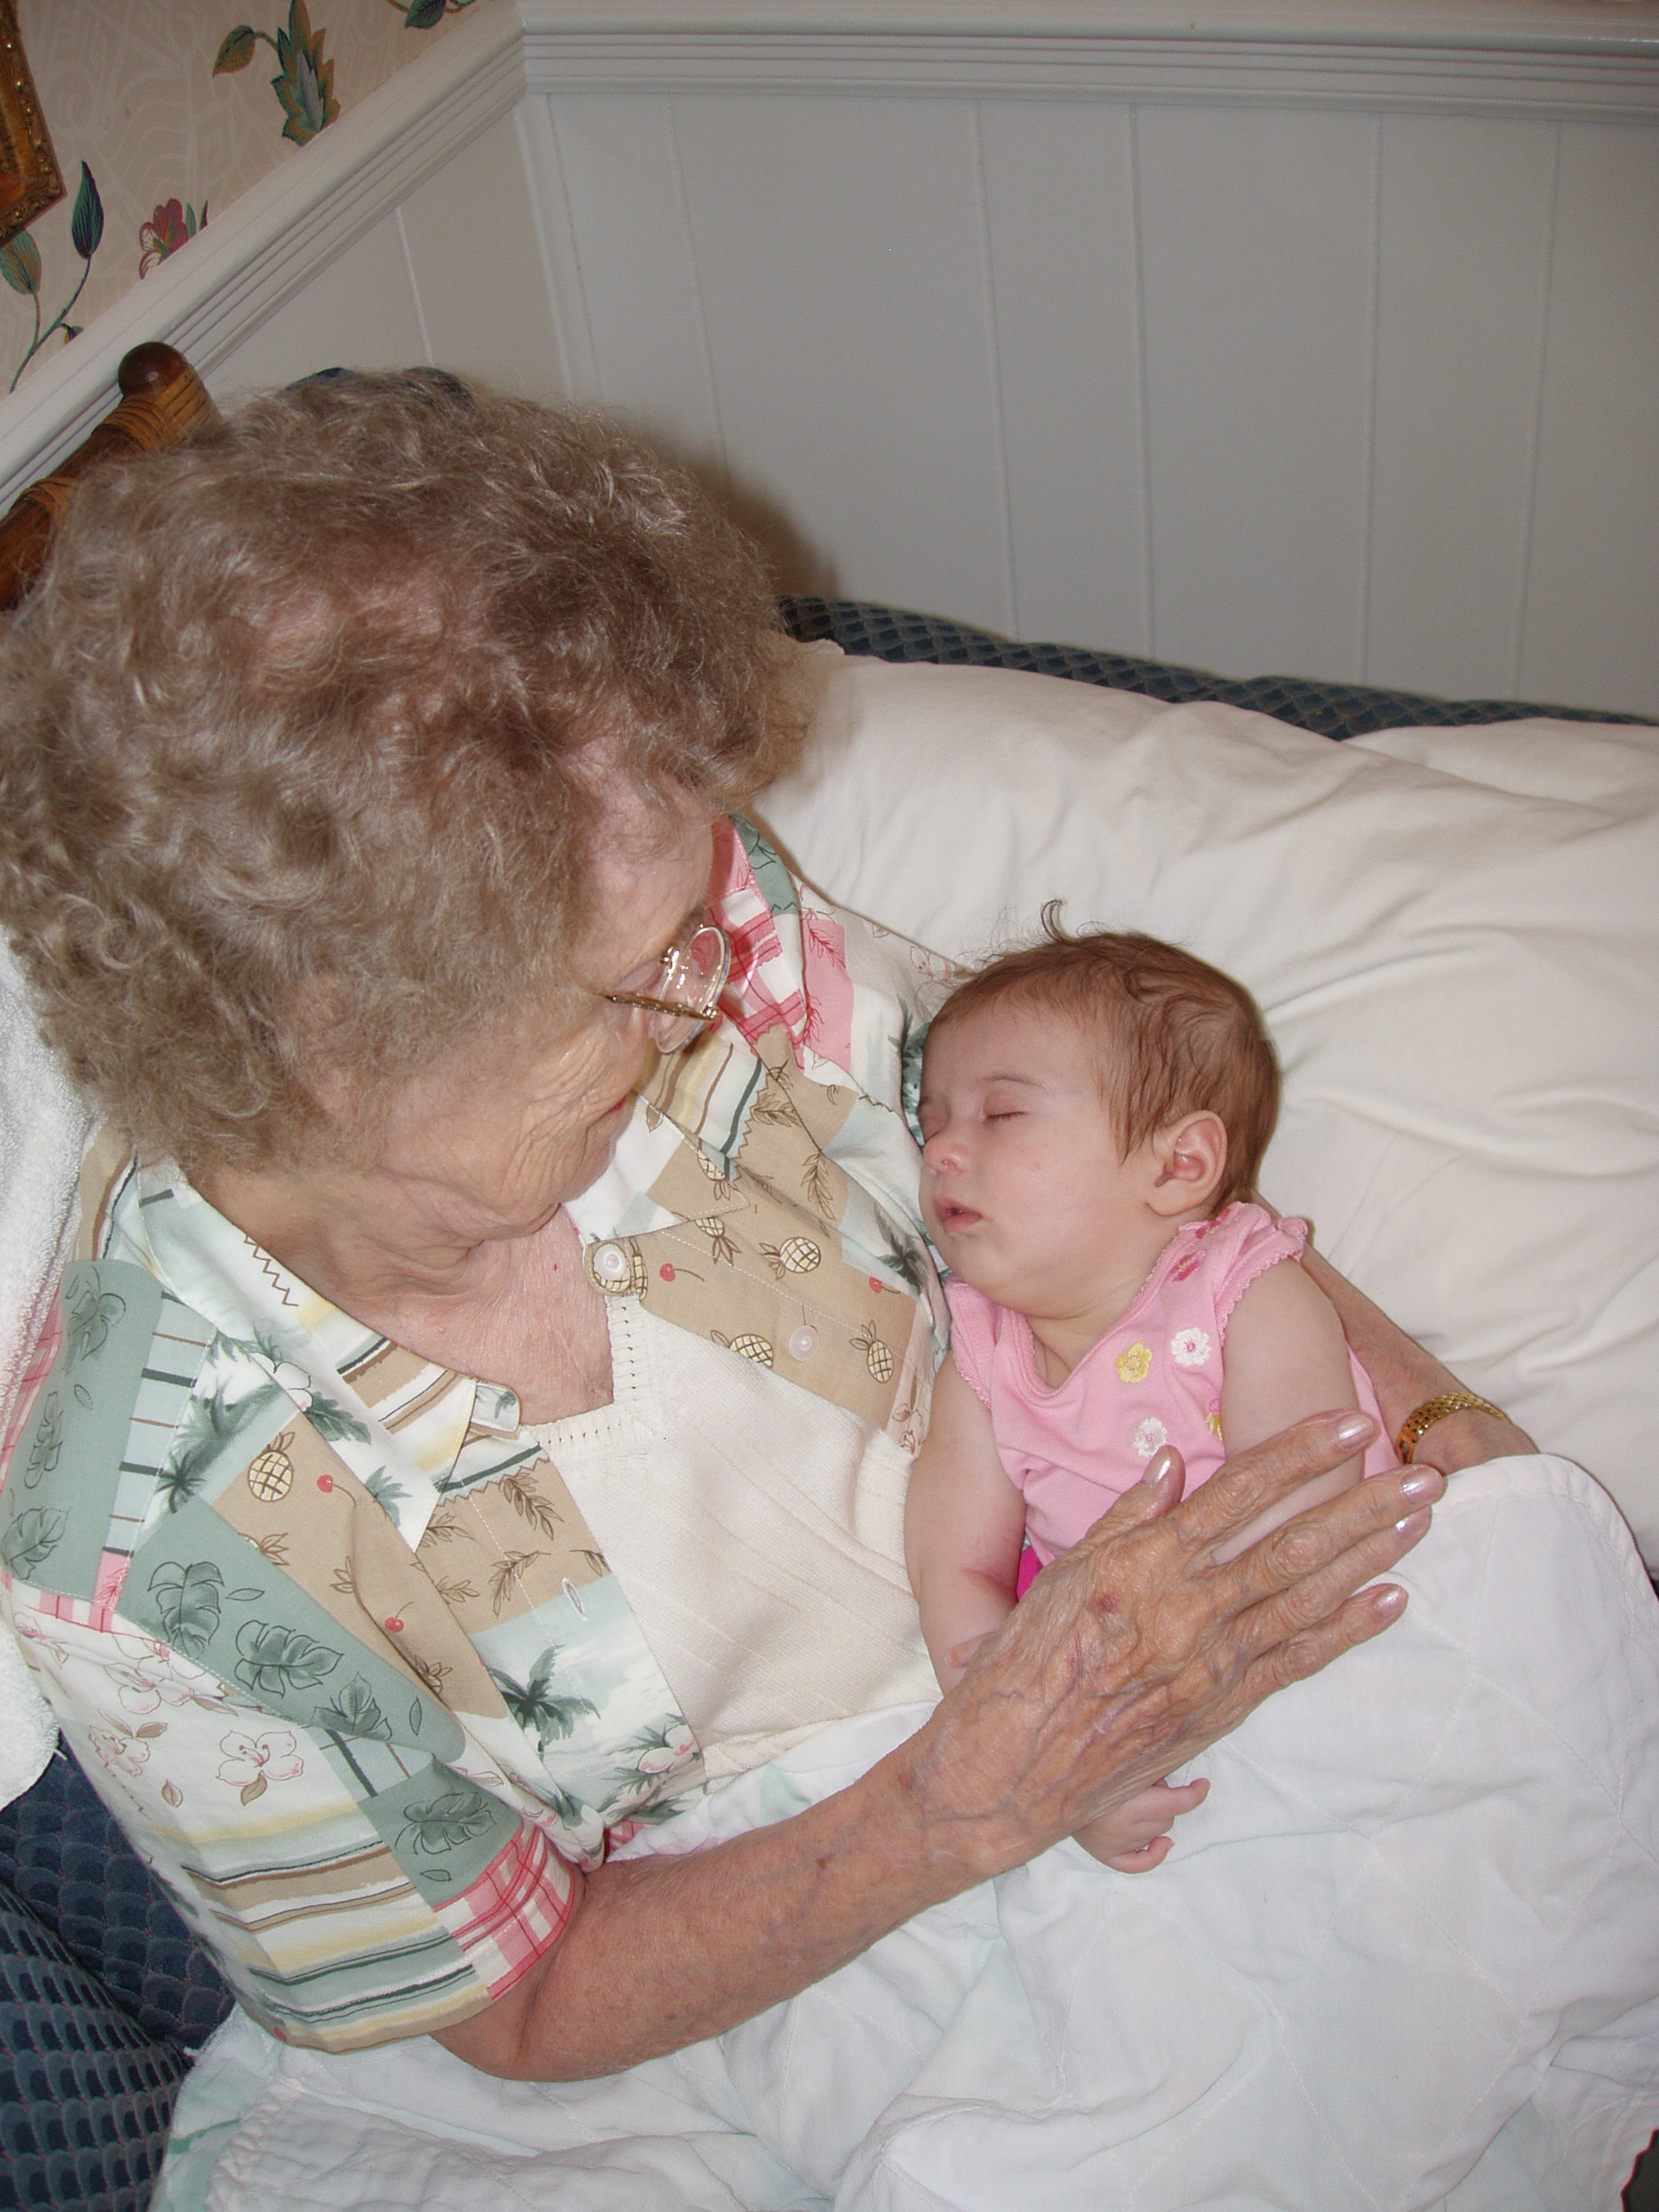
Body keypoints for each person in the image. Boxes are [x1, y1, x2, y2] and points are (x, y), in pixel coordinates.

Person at [0, 375, 1529, 2152]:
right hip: (782, 1959)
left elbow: (1120, 1200)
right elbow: (522, 1997)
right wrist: (972, 1797)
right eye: (638, 971)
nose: (718, 970)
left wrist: (1445, 1428)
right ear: (343, 1049)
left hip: (1112, 1664)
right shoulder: (154, 1547)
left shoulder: (702, 915)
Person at [905, 925, 1410, 1872]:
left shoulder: (1243, 1286)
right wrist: (1043, 1762)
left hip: (1335, 1640)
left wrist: (1172, 1690)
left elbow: (1305, 1500)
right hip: (1137, 1706)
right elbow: (954, 1572)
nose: (941, 1151)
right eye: (932, 1121)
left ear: (1179, 1166)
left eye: (1001, 1114)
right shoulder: (980, 1353)